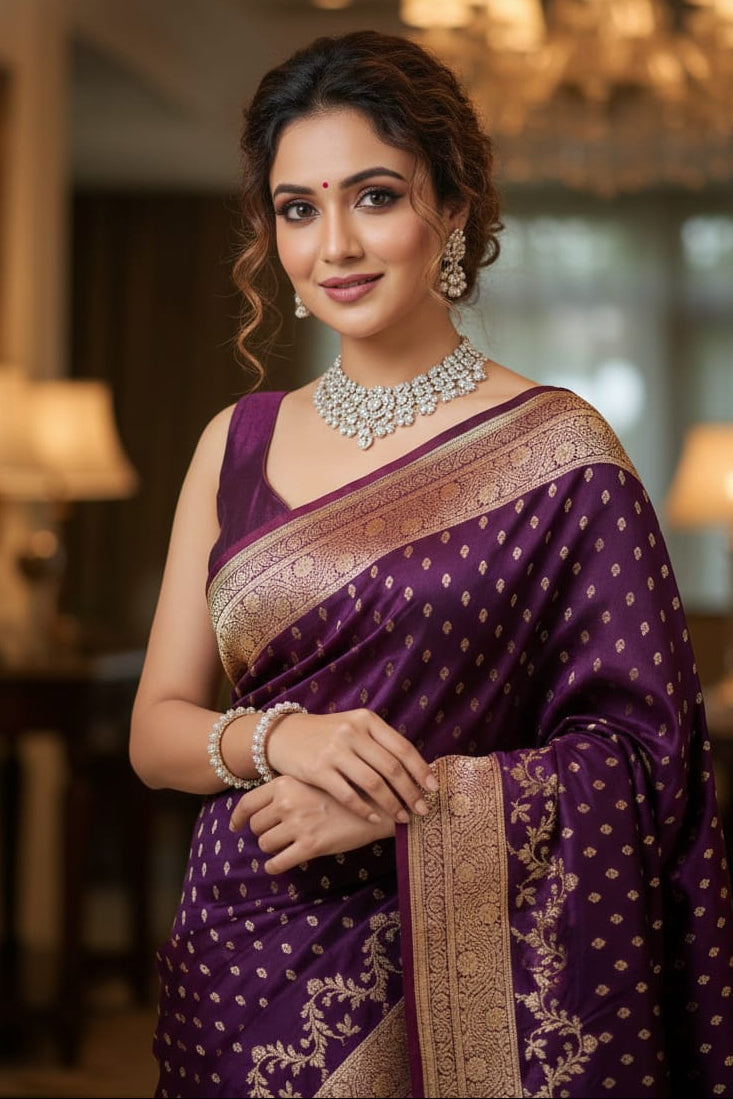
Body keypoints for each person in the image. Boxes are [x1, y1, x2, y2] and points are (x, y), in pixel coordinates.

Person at [129, 29, 733, 1099]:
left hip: (462, 972)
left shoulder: (562, 455)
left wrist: (414, 807)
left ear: (451, 209)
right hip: (241, 962)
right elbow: (156, 733)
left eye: (374, 196)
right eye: (298, 208)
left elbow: (647, 761)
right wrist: (281, 736)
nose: (334, 246)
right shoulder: (235, 443)